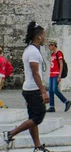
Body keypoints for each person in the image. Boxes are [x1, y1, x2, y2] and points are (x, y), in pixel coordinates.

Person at [2, 22, 52, 152]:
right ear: (38, 37)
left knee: (33, 118)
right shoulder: (33, 52)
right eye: (44, 35)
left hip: (29, 89)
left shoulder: (31, 50)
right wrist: (43, 91)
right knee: (38, 117)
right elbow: (35, 73)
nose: (45, 38)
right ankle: (11, 133)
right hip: (33, 89)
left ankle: (37, 146)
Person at [46, 41, 71, 113]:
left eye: (50, 46)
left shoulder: (58, 53)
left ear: (54, 45)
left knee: (55, 89)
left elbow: (61, 64)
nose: (49, 47)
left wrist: (59, 75)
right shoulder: (52, 54)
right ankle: (52, 106)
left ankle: (66, 101)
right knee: (50, 90)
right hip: (51, 74)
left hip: (56, 74)